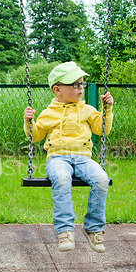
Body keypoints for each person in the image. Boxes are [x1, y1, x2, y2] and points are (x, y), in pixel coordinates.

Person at [23, 61, 114, 253]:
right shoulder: (49, 113)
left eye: (81, 84)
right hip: (57, 158)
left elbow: (101, 130)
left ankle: (93, 228)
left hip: (83, 158)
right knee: (62, 179)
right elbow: (36, 136)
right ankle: (65, 230)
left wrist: (107, 109)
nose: (80, 88)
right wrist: (28, 121)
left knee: (101, 179)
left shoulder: (88, 110)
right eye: (75, 84)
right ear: (57, 90)